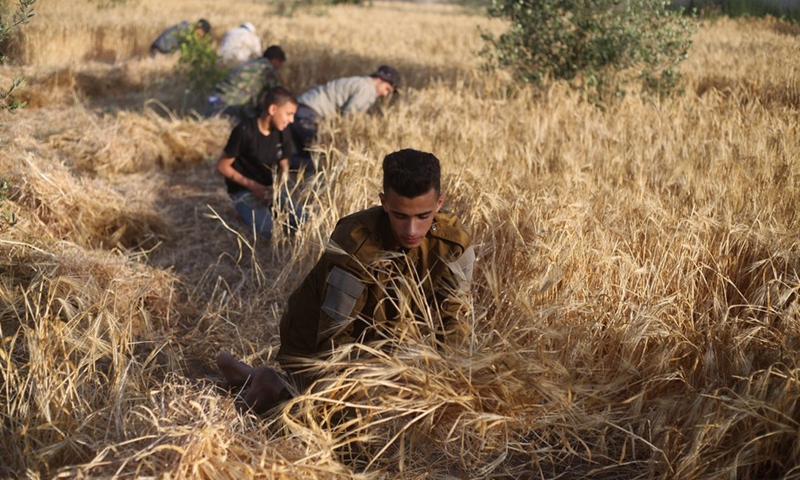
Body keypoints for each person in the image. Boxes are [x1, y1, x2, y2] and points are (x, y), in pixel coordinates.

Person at [217, 149, 476, 414]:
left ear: (439, 203)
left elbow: (455, 322)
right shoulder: (355, 242)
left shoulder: (453, 245)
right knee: (345, 423)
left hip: (384, 343)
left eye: (423, 216)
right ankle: (274, 386)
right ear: (384, 202)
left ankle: (251, 377)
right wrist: (383, 379)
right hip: (314, 342)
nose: (412, 230)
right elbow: (335, 339)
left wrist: (443, 381)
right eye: (400, 216)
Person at [216, 86, 301, 240]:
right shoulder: (244, 131)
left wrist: (277, 186)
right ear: (273, 109)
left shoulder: (283, 131)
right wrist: (254, 187)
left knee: (303, 220)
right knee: (268, 232)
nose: (292, 120)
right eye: (289, 114)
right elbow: (223, 166)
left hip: (271, 188)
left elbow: (284, 165)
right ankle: (243, 210)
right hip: (244, 190)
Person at [289, 65, 401, 169]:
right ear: (379, 79)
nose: (386, 94)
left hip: (301, 110)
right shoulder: (368, 89)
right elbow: (349, 116)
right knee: (322, 159)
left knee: (307, 155)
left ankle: (284, 166)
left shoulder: (359, 82)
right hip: (310, 114)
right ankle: (280, 162)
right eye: (387, 89)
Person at [204, 45, 287, 121]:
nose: (279, 67)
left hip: (213, 101)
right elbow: (278, 95)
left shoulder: (249, 64)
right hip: (232, 106)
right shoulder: (267, 69)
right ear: (276, 60)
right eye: (280, 64)